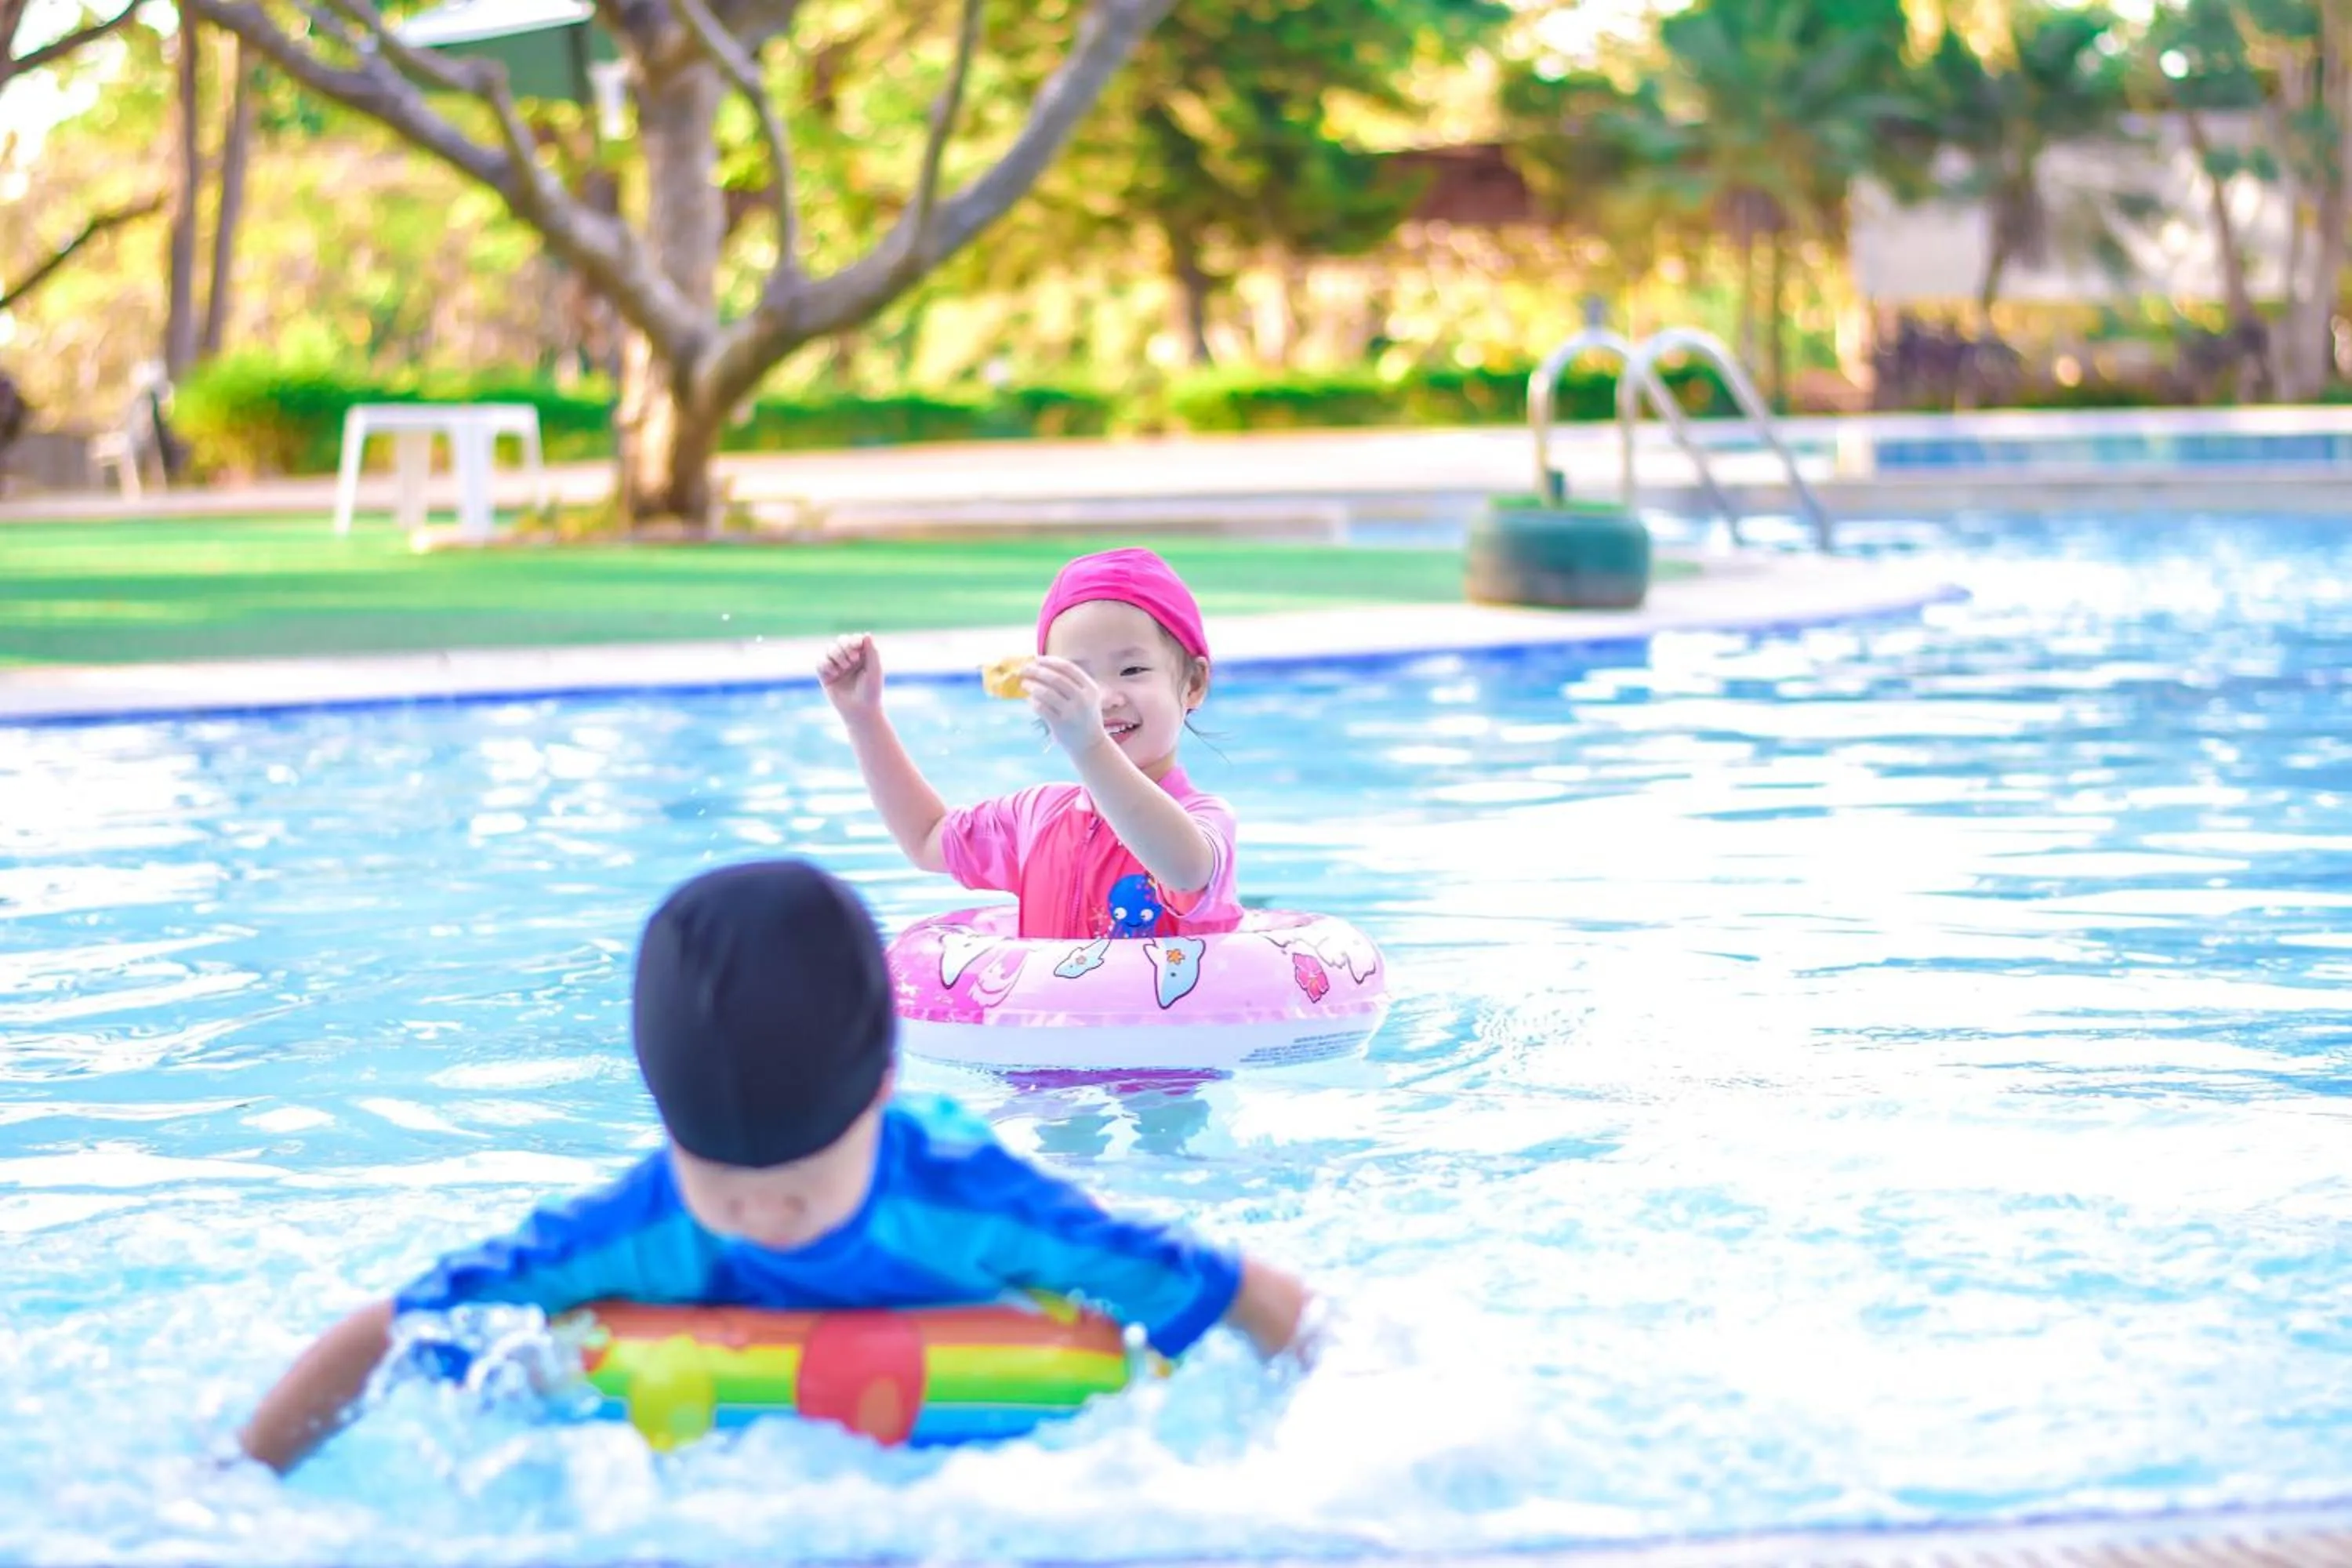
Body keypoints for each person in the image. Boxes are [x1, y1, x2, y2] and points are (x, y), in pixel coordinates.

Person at [236, 859, 1310, 1474]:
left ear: (882, 1092)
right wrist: (238, 1479)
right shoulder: (636, 1222)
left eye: (799, 1185)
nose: (762, 1215)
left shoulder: (973, 1199)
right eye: (724, 1190)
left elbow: (1241, 1291)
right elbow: (390, 1331)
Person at [818, 547, 1240, 941]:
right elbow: (928, 839)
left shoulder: (1204, 821)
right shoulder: (1034, 820)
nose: (1105, 697)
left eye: (1132, 669)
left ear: (1194, 684)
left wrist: (1092, 745)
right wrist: (863, 717)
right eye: (1079, 677)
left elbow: (1185, 871)